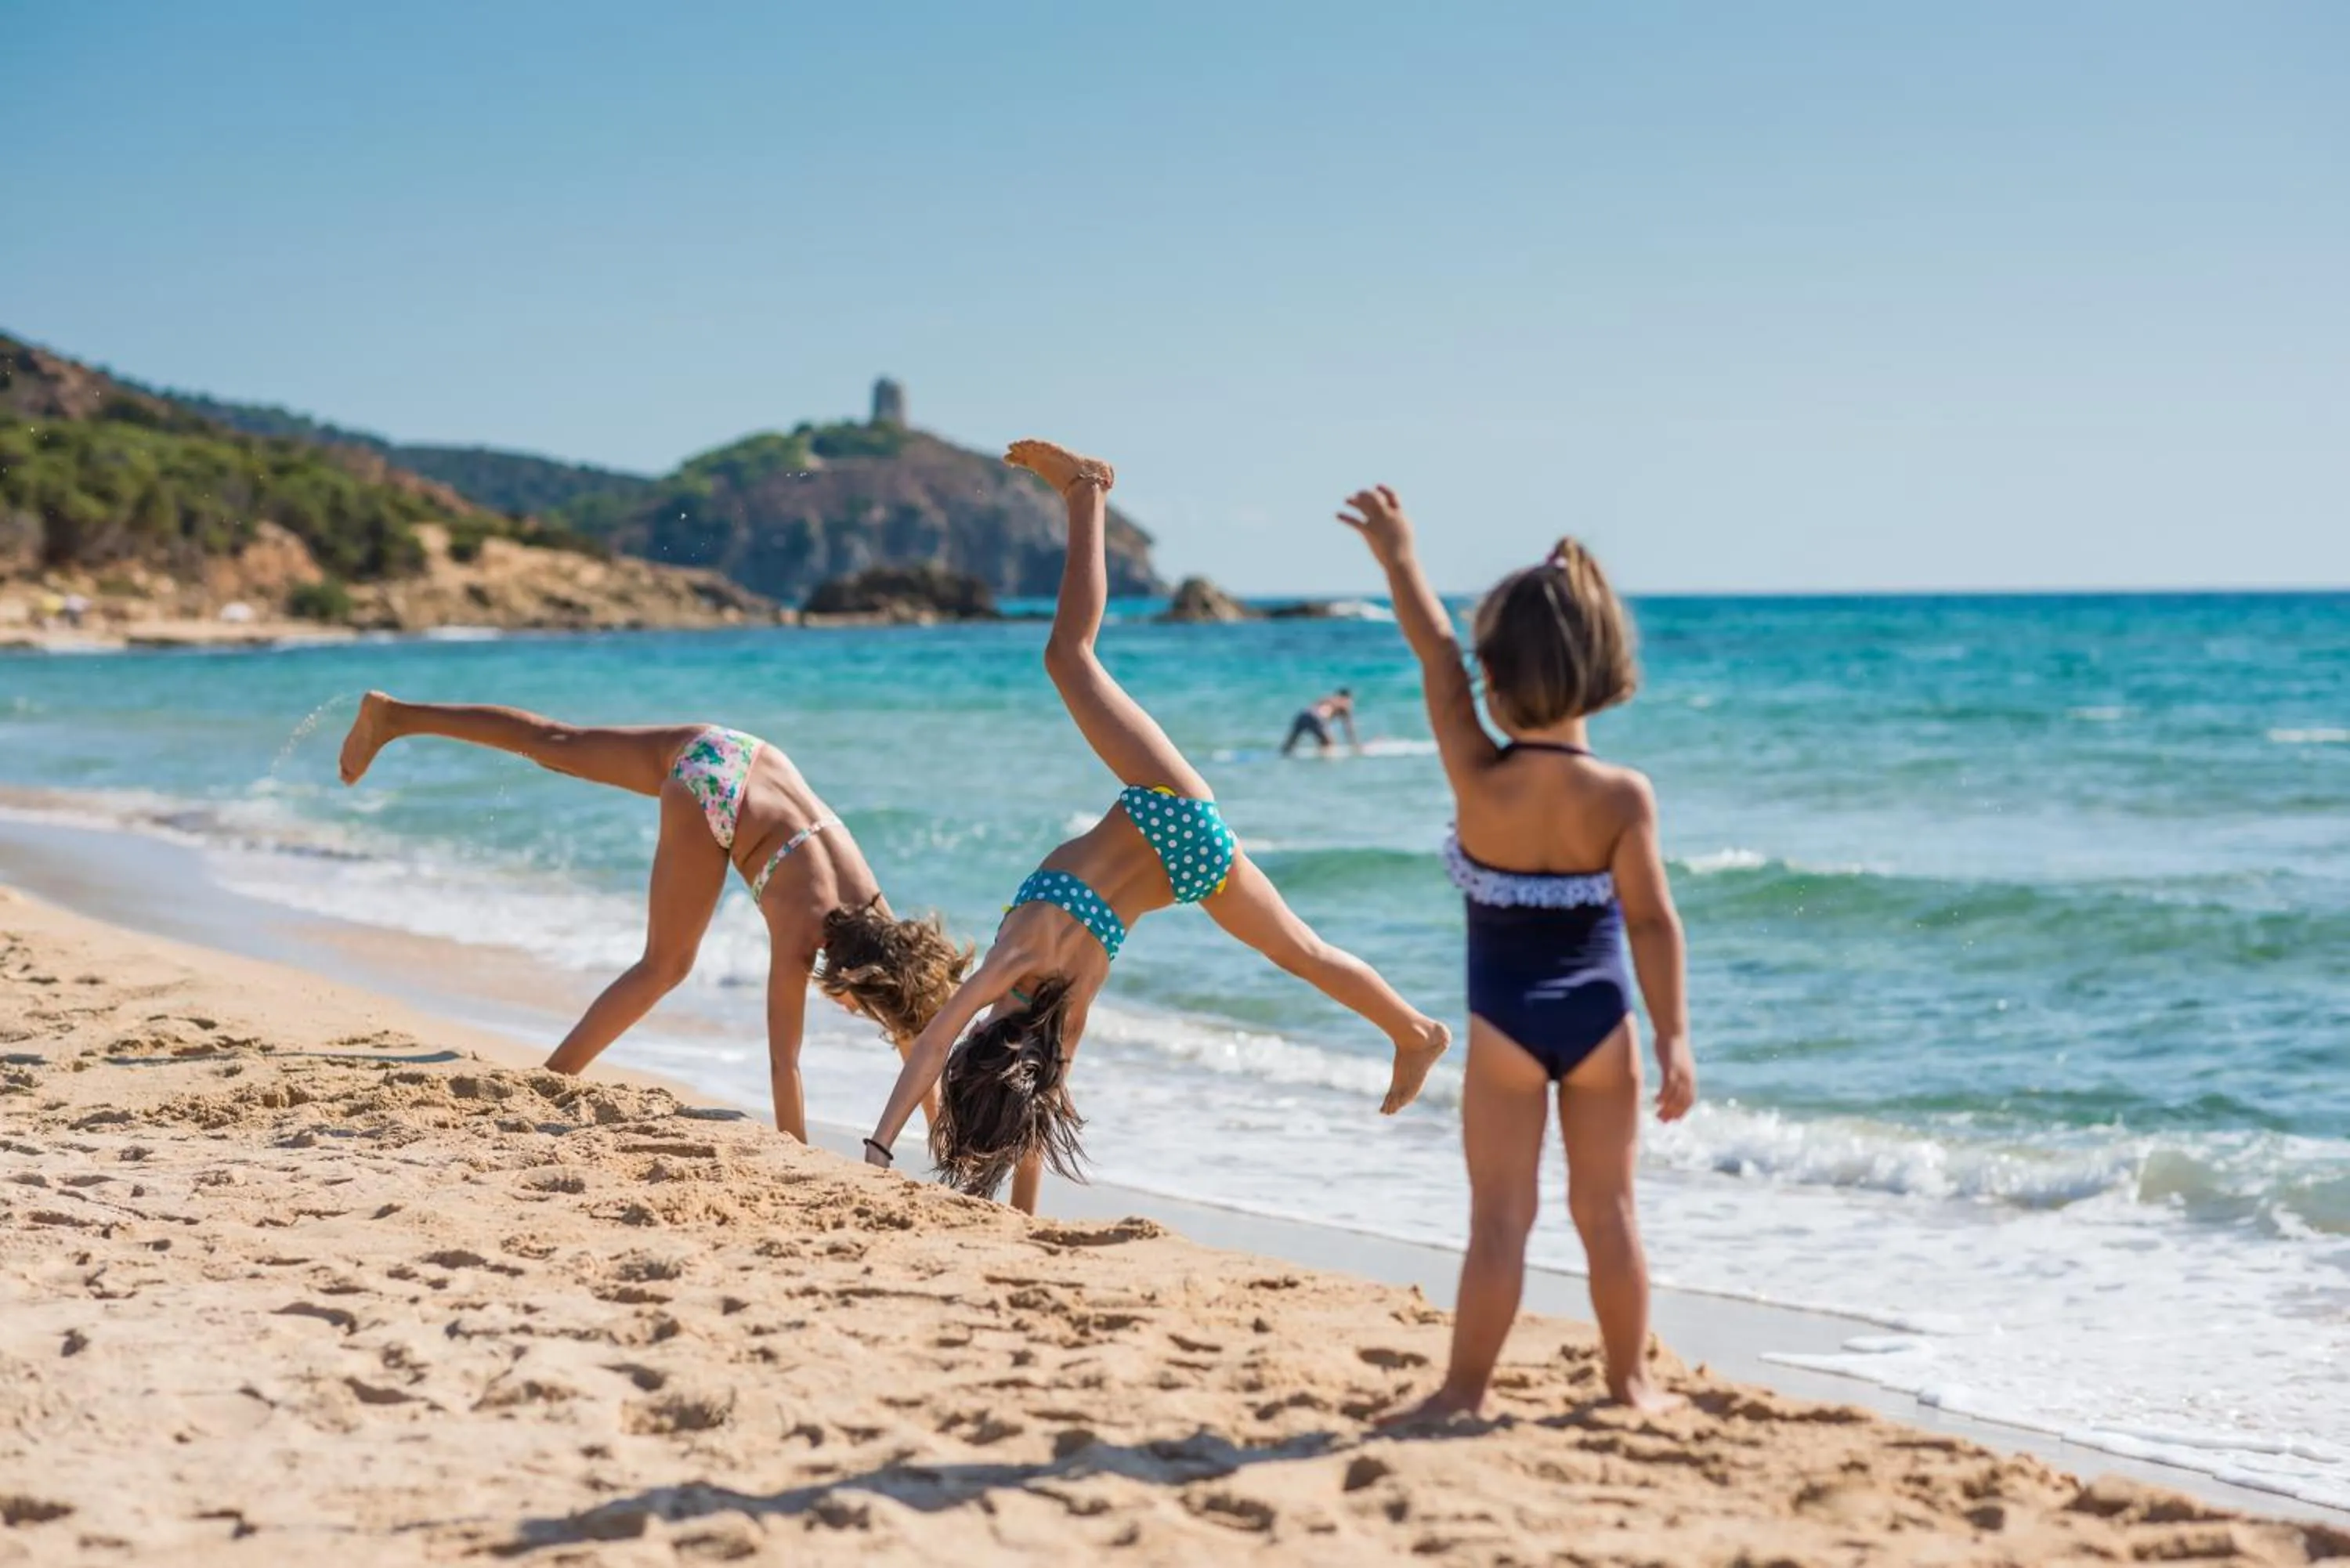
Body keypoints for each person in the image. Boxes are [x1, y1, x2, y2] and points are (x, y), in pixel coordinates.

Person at [860, 441, 1452, 1212]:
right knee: (1068, 658)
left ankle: (1413, 1030)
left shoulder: (1058, 1015)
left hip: (1187, 871)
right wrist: (876, 1146)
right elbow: (937, 1040)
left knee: (1302, 951)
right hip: (1167, 808)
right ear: (985, 1050)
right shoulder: (1014, 959)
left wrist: (1018, 1214)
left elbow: (1036, 1099)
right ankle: (1084, 495)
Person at [1335, 484, 1695, 1417]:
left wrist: (1399, 559)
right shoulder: (1624, 796)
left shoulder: (1475, 769)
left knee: (1499, 1219)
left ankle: (1462, 1389)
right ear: (1604, 664)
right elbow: (1654, 924)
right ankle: (1631, 1384)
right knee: (1609, 1214)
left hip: (1501, 1025)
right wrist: (1674, 1041)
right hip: (1601, 1025)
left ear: (1494, 677)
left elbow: (1433, 652)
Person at [335, 695, 967, 1140]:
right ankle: (552, 1078)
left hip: (737, 751)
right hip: (711, 800)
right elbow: (785, 1064)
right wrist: (797, 1150)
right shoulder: (803, 936)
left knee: (557, 743)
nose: (858, 1012)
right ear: (857, 976)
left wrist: (945, 1139)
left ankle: (394, 717)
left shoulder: (878, 914)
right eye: (861, 1004)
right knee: (666, 965)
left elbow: (915, 1028)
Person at [1282, 688, 1360, 756]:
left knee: (1289, 745)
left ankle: (1283, 755)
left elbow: (1314, 709)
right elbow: (1348, 728)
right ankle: (1323, 765)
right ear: (1348, 698)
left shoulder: (1327, 699)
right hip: (1316, 718)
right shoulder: (1344, 704)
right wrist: (1355, 745)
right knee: (1329, 745)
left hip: (1303, 716)